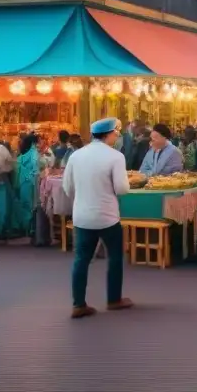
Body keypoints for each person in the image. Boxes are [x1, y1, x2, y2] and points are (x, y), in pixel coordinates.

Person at [63, 117, 133, 318]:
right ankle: (114, 299)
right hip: (107, 216)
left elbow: (67, 188)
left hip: (82, 216)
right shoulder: (115, 157)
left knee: (81, 259)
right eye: (116, 133)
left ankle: (78, 304)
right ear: (109, 134)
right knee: (115, 257)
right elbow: (121, 188)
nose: (117, 136)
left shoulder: (76, 156)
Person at [12, 132, 42, 238]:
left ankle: (24, 227)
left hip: (21, 181)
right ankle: (31, 228)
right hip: (31, 181)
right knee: (31, 205)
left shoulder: (23, 154)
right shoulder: (34, 152)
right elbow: (35, 167)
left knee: (24, 204)